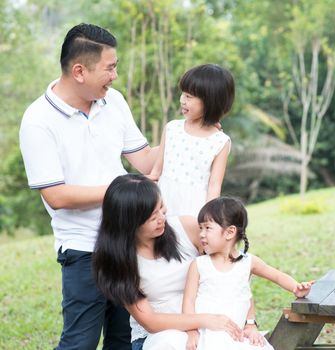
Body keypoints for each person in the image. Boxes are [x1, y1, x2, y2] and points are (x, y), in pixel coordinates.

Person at [19, 23, 159, 349]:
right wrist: (121, 189)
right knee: (80, 343)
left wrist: (185, 127)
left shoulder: (115, 102)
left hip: (128, 243)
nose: (115, 76)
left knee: (126, 341)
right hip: (84, 251)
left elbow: (147, 163)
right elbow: (56, 196)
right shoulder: (38, 120)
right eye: (110, 68)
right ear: (79, 71)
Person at [92, 174, 246, 350]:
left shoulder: (187, 228)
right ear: (129, 223)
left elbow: (235, 267)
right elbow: (151, 321)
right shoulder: (118, 261)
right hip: (158, 335)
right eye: (152, 217)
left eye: (162, 208)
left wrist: (249, 321)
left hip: (208, 327)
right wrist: (206, 319)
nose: (162, 218)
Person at [180, 197, 314, 350]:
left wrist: (296, 287)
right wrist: (191, 332)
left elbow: (275, 276)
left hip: (237, 335)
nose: (201, 234)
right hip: (206, 333)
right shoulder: (199, 265)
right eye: (200, 228)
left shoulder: (248, 262)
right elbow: (188, 301)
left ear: (230, 232)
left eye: (207, 228)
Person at [148, 64, 234, 217]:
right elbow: (156, 172)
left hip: (194, 213)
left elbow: (214, 186)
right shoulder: (171, 128)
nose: (182, 100)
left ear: (210, 101)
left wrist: (207, 220)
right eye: (183, 94)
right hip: (162, 209)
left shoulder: (220, 142)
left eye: (189, 97)